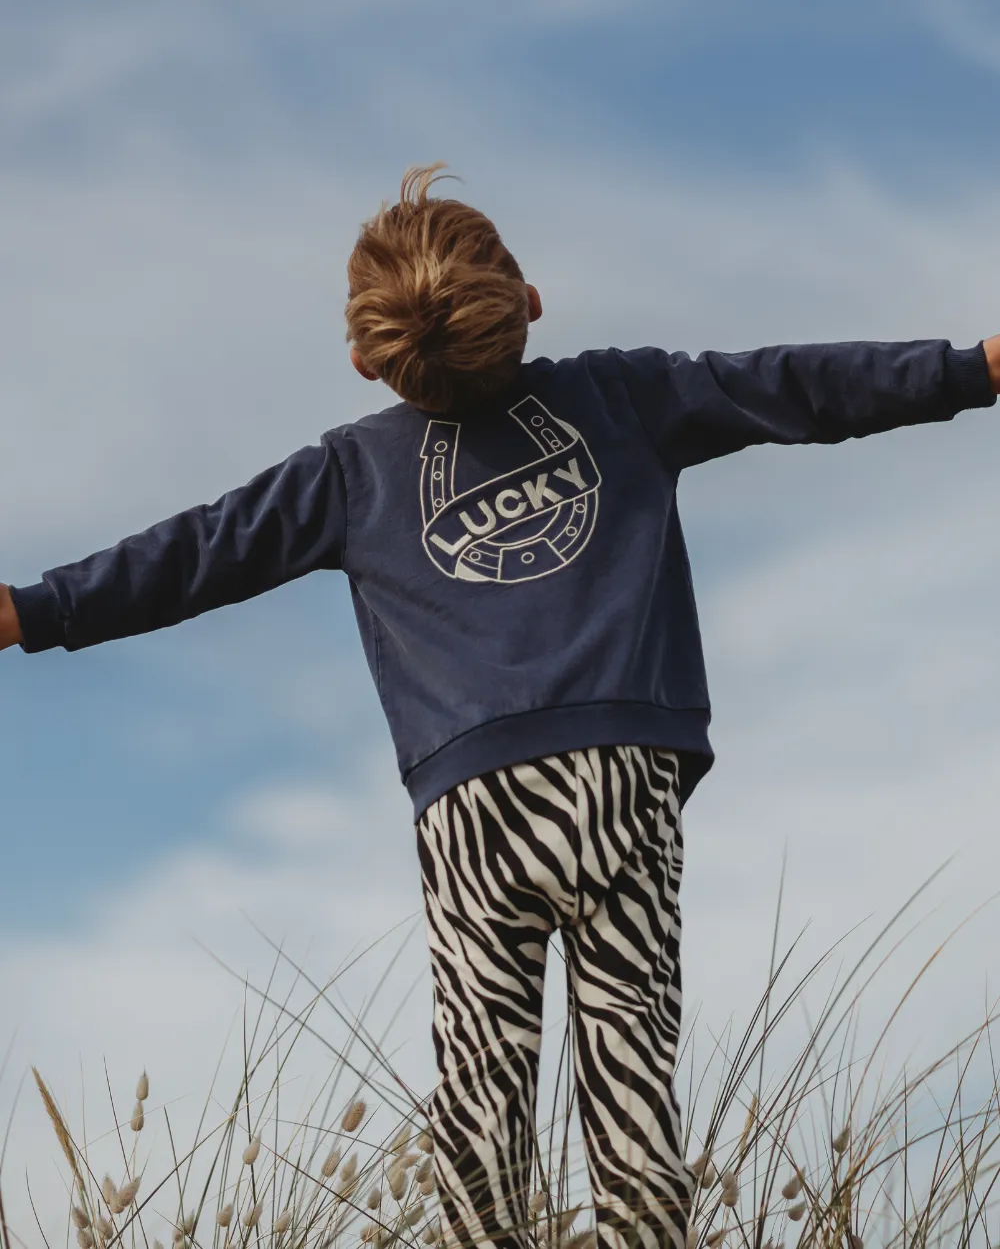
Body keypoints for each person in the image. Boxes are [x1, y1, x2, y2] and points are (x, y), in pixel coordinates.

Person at [1, 163, 997, 1249]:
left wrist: (34, 608)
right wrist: (970, 368)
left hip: (474, 798)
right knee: (629, 1083)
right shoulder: (624, 396)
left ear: (363, 358)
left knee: (481, 1093)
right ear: (526, 298)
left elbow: (197, 553)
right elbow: (796, 385)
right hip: (621, 770)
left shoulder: (351, 472)